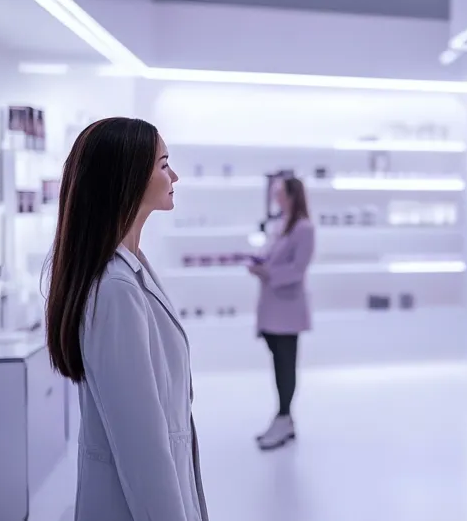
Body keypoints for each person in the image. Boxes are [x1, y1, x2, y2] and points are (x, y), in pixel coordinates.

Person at [44, 117, 209, 520]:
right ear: (128, 178)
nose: (174, 175)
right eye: (163, 164)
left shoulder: (130, 269)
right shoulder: (116, 289)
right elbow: (142, 449)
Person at [250, 175, 315, 450]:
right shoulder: (281, 226)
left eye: (279, 192)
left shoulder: (304, 229)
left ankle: (284, 417)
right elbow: (273, 257)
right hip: (272, 310)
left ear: (292, 195)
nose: (275, 197)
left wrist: (267, 272)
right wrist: (260, 263)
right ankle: (283, 419)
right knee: (278, 363)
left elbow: (298, 269)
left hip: (287, 311)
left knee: (286, 366)